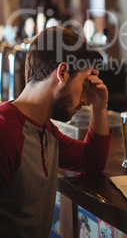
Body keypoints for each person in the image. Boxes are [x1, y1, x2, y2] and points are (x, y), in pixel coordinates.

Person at [0, 26, 111, 238]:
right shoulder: (5, 132)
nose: (85, 99)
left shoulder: (44, 129)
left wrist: (99, 107)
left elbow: (91, 161)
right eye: (84, 84)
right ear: (62, 73)